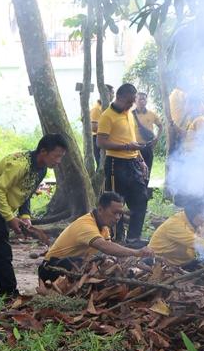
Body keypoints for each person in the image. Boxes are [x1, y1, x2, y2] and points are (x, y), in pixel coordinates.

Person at [0, 135, 68, 297]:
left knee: (1, 248)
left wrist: (24, 215)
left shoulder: (41, 168)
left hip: (1, 204)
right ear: (43, 151)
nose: (58, 161)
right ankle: (8, 293)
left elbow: (26, 192)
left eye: (61, 157)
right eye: (56, 156)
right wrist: (10, 217)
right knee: (2, 249)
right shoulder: (20, 165)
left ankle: (2, 290)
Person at [37, 191, 151, 284]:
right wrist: (136, 252)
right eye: (115, 213)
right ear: (100, 209)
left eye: (120, 214)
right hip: (52, 269)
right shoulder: (86, 225)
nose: (117, 218)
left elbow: (110, 252)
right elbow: (105, 247)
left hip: (72, 267)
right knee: (82, 263)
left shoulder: (104, 228)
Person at [96, 83, 150, 244]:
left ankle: (133, 238)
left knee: (141, 198)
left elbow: (131, 140)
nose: (131, 104)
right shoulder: (107, 116)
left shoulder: (129, 114)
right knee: (116, 203)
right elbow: (100, 142)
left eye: (133, 101)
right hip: (115, 164)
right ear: (119, 97)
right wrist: (126, 147)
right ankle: (116, 238)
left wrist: (140, 159)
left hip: (133, 162)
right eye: (129, 101)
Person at [148, 201, 204, 267]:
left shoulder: (199, 222)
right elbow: (200, 244)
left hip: (181, 263)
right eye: (203, 215)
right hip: (158, 264)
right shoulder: (176, 225)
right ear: (193, 212)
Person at [133, 90, 162, 178]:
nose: (142, 101)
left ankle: (145, 190)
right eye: (140, 99)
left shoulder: (152, 114)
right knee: (135, 173)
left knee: (147, 172)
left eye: (144, 99)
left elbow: (160, 126)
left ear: (146, 101)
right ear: (135, 101)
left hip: (148, 147)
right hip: (134, 147)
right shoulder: (129, 114)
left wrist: (156, 138)